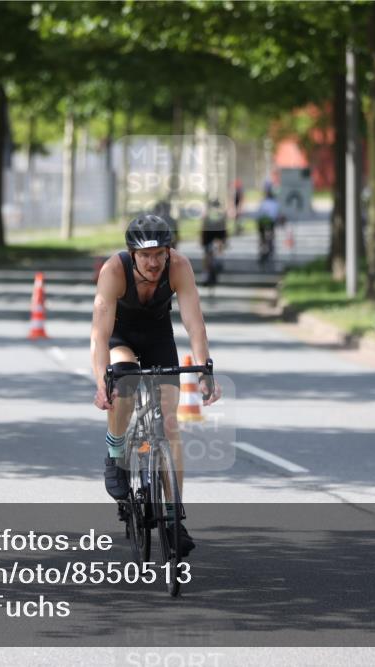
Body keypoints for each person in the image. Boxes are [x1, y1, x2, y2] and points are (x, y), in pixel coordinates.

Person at [90, 215, 222, 558]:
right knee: (125, 383)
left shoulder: (179, 267)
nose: (153, 262)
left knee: (169, 424)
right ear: (132, 253)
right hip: (121, 337)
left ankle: (173, 517)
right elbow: (100, 333)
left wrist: (205, 369)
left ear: (169, 251)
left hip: (158, 337)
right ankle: (116, 452)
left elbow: (194, 322)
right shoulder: (113, 271)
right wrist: (102, 381)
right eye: (145, 255)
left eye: (160, 254)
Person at [200, 199, 228, 286]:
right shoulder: (221, 215)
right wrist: (225, 240)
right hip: (218, 237)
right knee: (218, 251)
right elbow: (224, 229)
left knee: (206, 256)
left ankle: (205, 274)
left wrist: (202, 240)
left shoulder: (208, 215)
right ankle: (219, 263)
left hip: (208, 237)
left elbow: (203, 228)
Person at [255, 186, 281, 269]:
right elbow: (276, 214)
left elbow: (259, 212)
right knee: (270, 237)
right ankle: (269, 249)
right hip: (270, 222)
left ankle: (263, 249)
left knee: (262, 238)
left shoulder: (263, 202)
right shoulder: (275, 203)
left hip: (262, 222)